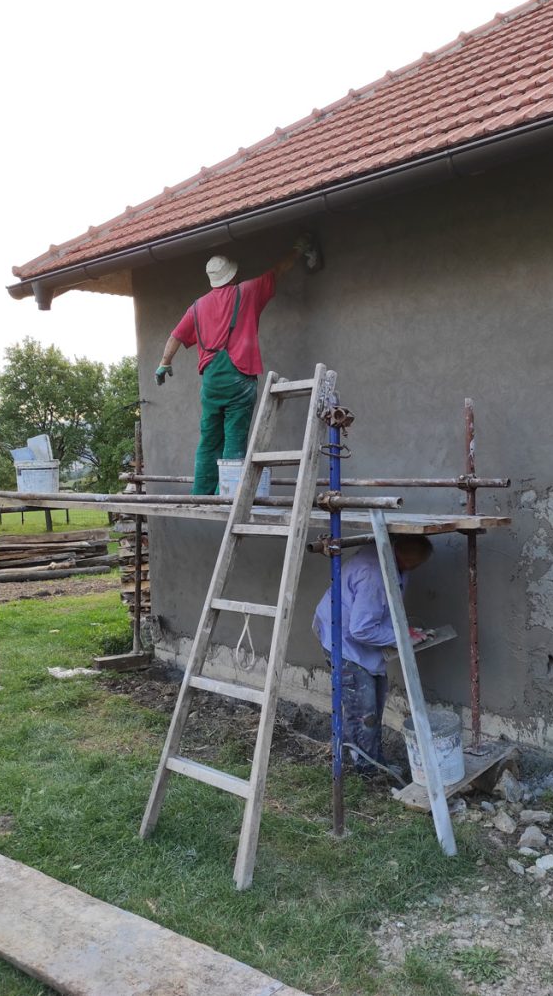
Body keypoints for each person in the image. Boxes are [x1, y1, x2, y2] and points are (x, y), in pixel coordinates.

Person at [155, 236, 319, 494]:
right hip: (239, 374)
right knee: (234, 435)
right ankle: (228, 492)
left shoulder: (197, 307)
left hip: (211, 380)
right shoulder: (247, 291)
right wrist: (299, 249)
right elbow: (276, 272)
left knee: (209, 437)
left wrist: (164, 364)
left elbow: (175, 336)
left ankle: (201, 491)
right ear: (232, 274)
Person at [312, 535, 433, 775]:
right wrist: (401, 637)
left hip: (356, 634)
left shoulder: (388, 558)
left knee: (375, 698)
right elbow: (361, 629)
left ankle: (372, 760)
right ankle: (365, 772)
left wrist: (403, 630)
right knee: (363, 711)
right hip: (344, 641)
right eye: (413, 566)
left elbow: (381, 608)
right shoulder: (374, 576)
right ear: (404, 559)